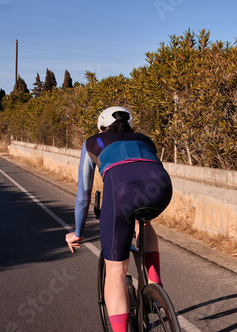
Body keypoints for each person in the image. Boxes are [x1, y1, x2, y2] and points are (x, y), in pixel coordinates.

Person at [65, 106, 173, 332]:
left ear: (101, 128)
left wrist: (78, 233)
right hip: (161, 188)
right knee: (143, 221)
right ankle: (153, 282)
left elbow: (83, 196)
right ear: (131, 126)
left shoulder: (93, 142)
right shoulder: (144, 139)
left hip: (121, 191)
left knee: (115, 271)